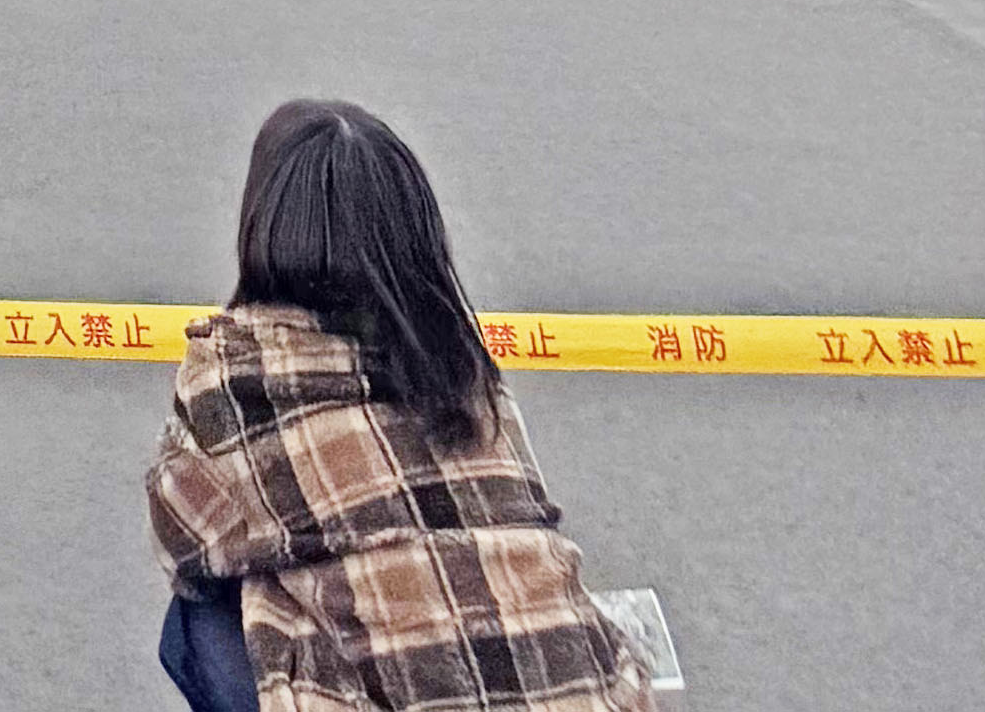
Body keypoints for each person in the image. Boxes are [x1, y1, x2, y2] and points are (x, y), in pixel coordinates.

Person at [147, 98, 650, 710]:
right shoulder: (464, 365)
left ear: (263, 222)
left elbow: (186, 546)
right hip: (597, 697)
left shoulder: (236, 373)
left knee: (206, 613)